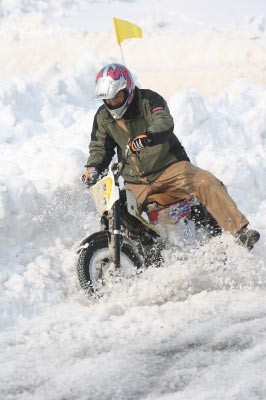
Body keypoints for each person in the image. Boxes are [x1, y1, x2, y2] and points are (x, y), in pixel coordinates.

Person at [82, 63, 260, 250]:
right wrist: (93, 167)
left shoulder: (149, 100)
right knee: (117, 209)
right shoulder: (103, 117)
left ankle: (240, 232)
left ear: (127, 90)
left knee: (206, 182)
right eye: (107, 99)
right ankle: (140, 251)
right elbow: (99, 147)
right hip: (136, 181)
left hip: (170, 168)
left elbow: (163, 121)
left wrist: (148, 136)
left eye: (116, 96)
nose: (112, 102)